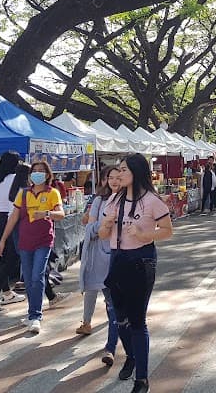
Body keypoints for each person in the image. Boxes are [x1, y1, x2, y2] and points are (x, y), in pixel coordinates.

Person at [99, 153, 174, 391]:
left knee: (137, 321)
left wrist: (144, 235)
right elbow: (102, 234)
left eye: (123, 170)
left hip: (141, 261)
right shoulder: (114, 199)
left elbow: (167, 230)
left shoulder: (152, 201)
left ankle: (142, 379)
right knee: (119, 318)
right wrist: (107, 224)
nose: (118, 175)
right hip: (117, 260)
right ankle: (131, 356)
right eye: (118, 170)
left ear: (136, 172)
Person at [0, 160, 65, 334]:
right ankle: (32, 313)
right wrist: (3, 239)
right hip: (25, 241)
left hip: (44, 240)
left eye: (42, 171)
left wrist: (47, 213)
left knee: (37, 275)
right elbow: (13, 217)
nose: (38, 174)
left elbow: (61, 214)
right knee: (28, 279)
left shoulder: (53, 193)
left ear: (48, 174)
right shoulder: (24, 194)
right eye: (35, 171)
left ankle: (35, 315)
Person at [78, 165, 120, 367]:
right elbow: (90, 227)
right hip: (103, 259)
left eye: (118, 177)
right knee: (111, 304)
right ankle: (110, 347)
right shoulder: (99, 201)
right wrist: (105, 225)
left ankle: (114, 345)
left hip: (125, 257)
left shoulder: (132, 201)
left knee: (117, 306)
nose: (114, 181)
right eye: (110, 177)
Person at [0, 158, 27, 310]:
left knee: (4, 258)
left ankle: (5, 293)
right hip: (10, 219)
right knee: (13, 257)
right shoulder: (17, 178)